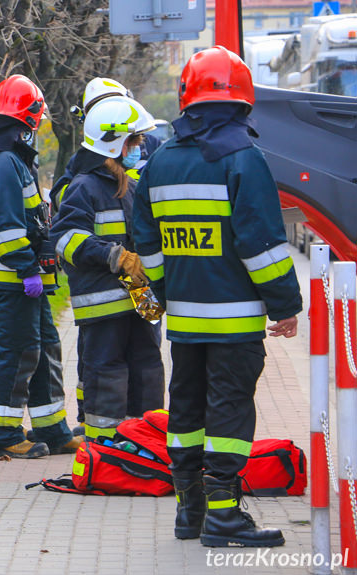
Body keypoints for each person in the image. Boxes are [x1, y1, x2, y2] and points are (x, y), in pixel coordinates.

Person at [132, 46, 302, 547]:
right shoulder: (244, 159)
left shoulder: (160, 160)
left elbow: (147, 244)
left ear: (187, 99)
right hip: (235, 321)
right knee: (229, 411)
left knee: (184, 410)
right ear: (241, 101)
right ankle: (225, 516)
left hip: (184, 321)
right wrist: (286, 305)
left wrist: (164, 294)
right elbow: (261, 244)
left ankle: (191, 511)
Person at [0, 74, 78, 459]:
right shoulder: (2, 162)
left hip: (26, 278)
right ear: (27, 117)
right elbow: (4, 228)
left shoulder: (11, 158)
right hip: (14, 277)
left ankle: (53, 428)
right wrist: (27, 268)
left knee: (45, 347)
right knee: (15, 353)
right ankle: (2, 433)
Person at [49, 96, 165, 443]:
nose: (140, 147)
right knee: (107, 374)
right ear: (114, 142)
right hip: (105, 301)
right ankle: (105, 448)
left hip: (140, 299)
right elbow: (64, 238)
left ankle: (145, 443)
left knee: (149, 369)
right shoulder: (85, 187)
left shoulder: (130, 185)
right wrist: (116, 256)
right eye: (135, 141)